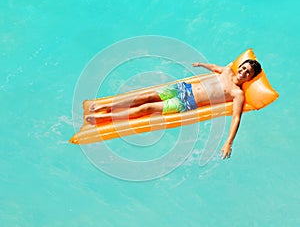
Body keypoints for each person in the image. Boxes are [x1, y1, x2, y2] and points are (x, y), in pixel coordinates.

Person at [85, 59, 262, 159]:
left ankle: (102, 119)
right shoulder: (227, 71)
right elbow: (215, 68)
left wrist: (228, 142)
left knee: (146, 108)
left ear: (250, 79)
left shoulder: (236, 94)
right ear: (240, 67)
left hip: (187, 102)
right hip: (183, 88)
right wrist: (201, 64)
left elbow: (236, 118)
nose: (244, 72)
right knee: (143, 97)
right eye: (244, 68)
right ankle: (105, 106)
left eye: (248, 73)